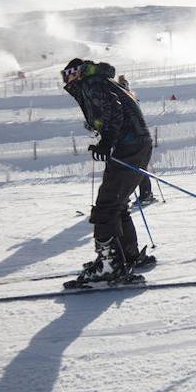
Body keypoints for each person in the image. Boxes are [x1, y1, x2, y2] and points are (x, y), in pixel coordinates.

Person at [61, 58, 155, 284]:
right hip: (135, 144)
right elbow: (113, 110)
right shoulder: (101, 81)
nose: (67, 80)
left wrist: (106, 141)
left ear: (79, 71)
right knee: (117, 203)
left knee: (105, 206)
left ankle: (109, 266)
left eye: (69, 74)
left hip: (129, 145)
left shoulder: (92, 82)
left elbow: (114, 109)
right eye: (64, 76)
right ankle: (127, 254)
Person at [117, 74, 155, 206]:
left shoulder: (126, 99)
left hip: (132, 138)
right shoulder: (131, 98)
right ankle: (135, 195)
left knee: (135, 168)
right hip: (133, 137)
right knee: (134, 168)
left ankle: (143, 194)